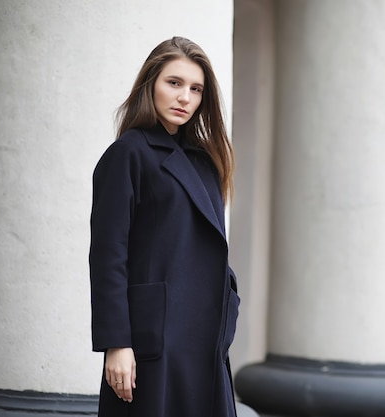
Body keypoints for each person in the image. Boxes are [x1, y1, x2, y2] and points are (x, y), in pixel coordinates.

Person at [89, 36, 239, 417]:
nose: (184, 97)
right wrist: (116, 343)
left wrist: (229, 307)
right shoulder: (128, 154)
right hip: (152, 342)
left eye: (195, 89)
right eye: (174, 83)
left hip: (204, 342)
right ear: (150, 83)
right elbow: (108, 256)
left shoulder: (207, 161)